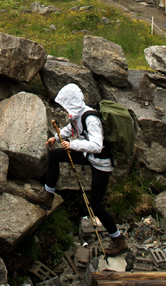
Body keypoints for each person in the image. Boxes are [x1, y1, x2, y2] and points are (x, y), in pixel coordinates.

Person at [41, 84, 128, 256]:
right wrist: (56, 138)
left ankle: (118, 239)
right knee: (55, 155)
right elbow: (72, 128)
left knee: (95, 205)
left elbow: (97, 145)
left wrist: (72, 145)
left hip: (102, 163)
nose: (64, 109)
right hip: (89, 156)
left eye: (65, 105)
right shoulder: (77, 115)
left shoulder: (90, 119)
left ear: (71, 103)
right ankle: (48, 195)